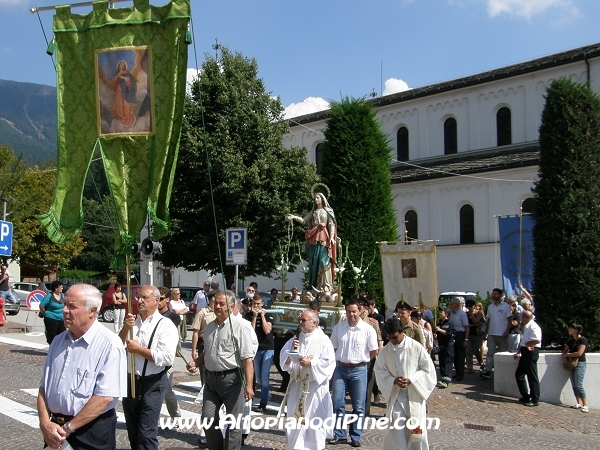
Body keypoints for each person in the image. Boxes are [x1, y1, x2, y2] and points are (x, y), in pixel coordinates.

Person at [37, 284, 126, 450]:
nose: (64, 310)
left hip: (90, 431)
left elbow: (105, 397)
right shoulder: (58, 341)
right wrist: (44, 423)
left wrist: (69, 428)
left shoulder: (110, 344)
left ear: (92, 311)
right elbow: (44, 386)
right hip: (55, 429)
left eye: (72, 306)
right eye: (64, 304)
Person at [186, 290, 255, 450]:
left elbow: (247, 359)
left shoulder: (241, 327)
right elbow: (207, 352)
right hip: (211, 381)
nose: (216, 306)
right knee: (208, 418)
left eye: (221, 303)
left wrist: (249, 386)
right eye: (215, 302)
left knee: (234, 423)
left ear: (231, 307)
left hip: (232, 380)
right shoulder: (210, 326)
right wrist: (196, 362)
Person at [119, 285, 179, 450]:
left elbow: (166, 358)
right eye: (138, 297)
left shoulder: (165, 325)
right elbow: (117, 346)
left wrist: (140, 350)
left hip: (152, 382)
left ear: (156, 300)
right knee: (133, 431)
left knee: (146, 433)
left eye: (144, 297)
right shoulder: (133, 322)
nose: (139, 301)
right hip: (130, 382)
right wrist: (125, 328)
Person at [374, 318, 437, 450]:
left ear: (402, 332)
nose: (392, 341)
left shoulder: (416, 347)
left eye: (395, 337)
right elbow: (379, 371)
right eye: (389, 338)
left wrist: (411, 380)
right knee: (396, 431)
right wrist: (393, 381)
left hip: (414, 396)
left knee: (416, 433)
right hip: (396, 397)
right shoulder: (386, 350)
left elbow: (428, 370)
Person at [280, 309, 336, 450]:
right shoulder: (296, 338)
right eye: (300, 320)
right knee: (296, 418)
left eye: (303, 320)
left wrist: (311, 363)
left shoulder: (323, 340)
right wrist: (292, 351)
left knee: (313, 420)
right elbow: (285, 361)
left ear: (314, 322)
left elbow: (329, 362)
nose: (300, 323)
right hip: (297, 387)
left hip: (314, 388)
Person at [328, 298, 379, 447]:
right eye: (349, 311)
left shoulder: (368, 329)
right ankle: (340, 434)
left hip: (359, 369)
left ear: (360, 311)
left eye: (354, 311)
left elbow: (374, 350)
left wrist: (362, 361)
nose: (351, 314)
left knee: (358, 405)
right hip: (341, 369)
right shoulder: (339, 328)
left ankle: (355, 436)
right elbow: (333, 347)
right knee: (337, 403)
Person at [286, 192, 338, 291]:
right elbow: (304, 220)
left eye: (318, 197)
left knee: (324, 260)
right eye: (315, 198)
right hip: (313, 236)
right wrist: (294, 217)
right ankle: (314, 284)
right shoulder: (313, 212)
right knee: (314, 261)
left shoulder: (328, 211)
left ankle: (326, 285)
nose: (316, 199)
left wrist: (331, 237)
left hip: (324, 236)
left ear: (322, 199)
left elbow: (331, 224)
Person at [245, 293, 275, 412]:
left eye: (258, 304)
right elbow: (250, 331)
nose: (256, 306)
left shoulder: (269, 315)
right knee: (258, 378)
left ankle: (263, 403)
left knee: (264, 376)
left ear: (262, 303)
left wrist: (262, 316)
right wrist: (254, 316)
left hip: (268, 348)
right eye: (254, 304)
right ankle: (266, 394)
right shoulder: (248, 315)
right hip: (256, 349)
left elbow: (267, 330)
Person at [158, 287, 181, 422]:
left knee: (166, 389)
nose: (158, 301)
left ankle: (176, 417)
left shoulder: (173, 317)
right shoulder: (151, 316)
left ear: (167, 300)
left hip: (168, 358)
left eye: (161, 298)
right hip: (153, 357)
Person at [480, 288, 512, 380]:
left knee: (503, 353)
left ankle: (504, 371)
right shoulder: (490, 307)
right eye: (493, 294)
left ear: (501, 295)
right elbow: (488, 321)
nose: (494, 296)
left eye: (496, 294)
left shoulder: (506, 306)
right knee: (490, 353)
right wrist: (485, 333)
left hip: (502, 334)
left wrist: (507, 331)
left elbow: (510, 321)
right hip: (492, 334)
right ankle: (487, 371)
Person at [513, 310, 542, 407]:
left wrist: (528, 344)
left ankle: (535, 399)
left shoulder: (533, 326)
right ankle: (525, 395)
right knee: (519, 374)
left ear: (525, 317)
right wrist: (519, 352)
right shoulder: (527, 326)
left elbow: (537, 340)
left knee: (532, 375)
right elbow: (524, 340)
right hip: (525, 351)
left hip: (531, 352)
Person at [563, 323, 588, 413]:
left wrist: (568, 354)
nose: (569, 329)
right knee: (574, 384)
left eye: (571, 328)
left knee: (579, 385)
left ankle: (585, 405)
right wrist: (565, 358)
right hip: (571, 363)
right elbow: (565, 350)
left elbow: (579, 353)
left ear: (576, 330)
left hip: (580, 363)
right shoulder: (571, 341)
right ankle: (579, 402)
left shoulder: (583, 340)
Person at [448, 297, 470, 381]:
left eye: (451, 303)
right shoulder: (451, 313)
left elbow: (467, 327)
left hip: (460, 334)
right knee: (454, 355)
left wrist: (466, 339)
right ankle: (456, 372)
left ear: (456, 305)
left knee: (460, 355)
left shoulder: (462, 314)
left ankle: (460, 374)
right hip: (453, 334)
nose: (450, 305)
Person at [39, 280, 66, 345]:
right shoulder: (49, 296)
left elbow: (65, 305)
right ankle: (52, 349)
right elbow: (41, 305)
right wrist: (44, 313)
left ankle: (59, 349)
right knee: (52, 335)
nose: (62, 288)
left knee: (62, 334)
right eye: (61, 287)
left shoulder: (62, 295)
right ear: (56, 288)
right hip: (51, 317)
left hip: (61, 318)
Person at [111, 60, 137, 128]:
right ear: (119, 66)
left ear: (125, 66)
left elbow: (131, 81)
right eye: (120, 65)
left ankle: (127, 118)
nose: (121, 66)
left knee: (126, 105)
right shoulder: (118, 74)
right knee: (119, 104)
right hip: (119, 92)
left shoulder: (127, 73)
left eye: (123, 65)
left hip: (126, 92)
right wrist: (117, 77)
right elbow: (113, 83)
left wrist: (123, 78)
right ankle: (121, 118)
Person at [435, 307, 454, 388]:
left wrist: (439, 330)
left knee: (448, 362)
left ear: (446, 314)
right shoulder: (439, 323)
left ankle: (446, 381)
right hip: (441, 346)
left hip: (448, 346)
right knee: (442, 362)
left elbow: (450, 334)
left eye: (442, 312)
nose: (440, 313)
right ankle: (443, 379)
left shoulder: (450, 323)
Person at [465, 299, 484, 373]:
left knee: (476, 350)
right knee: (469, 351)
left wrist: (472, 315)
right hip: (469, 334)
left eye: (471, 306)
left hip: (477, 334)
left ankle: (481, 362)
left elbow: (477, 322)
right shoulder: (465, 314)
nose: (469, 308)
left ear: (474, 306)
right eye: (468, 306)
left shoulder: (478, 312)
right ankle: (469, 367)